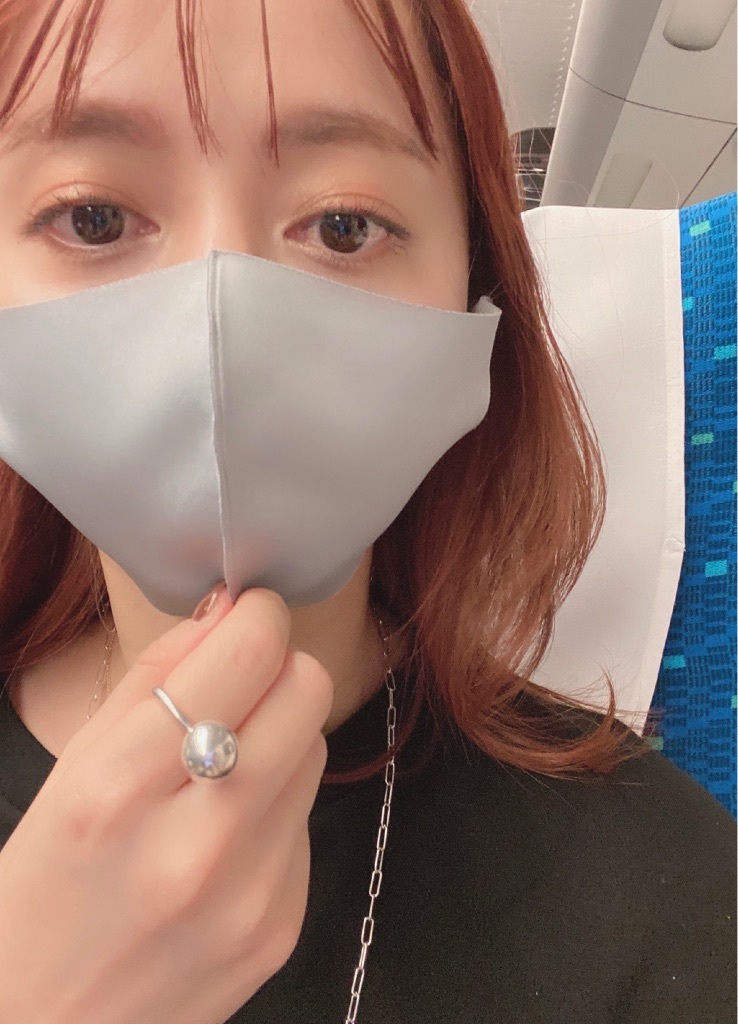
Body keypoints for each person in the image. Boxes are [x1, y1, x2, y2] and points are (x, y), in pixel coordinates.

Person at [0, 1, 733, 1022]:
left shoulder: (679, 902)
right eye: (92, 218)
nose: (222, 325)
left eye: (344, 225)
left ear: (475, 302)